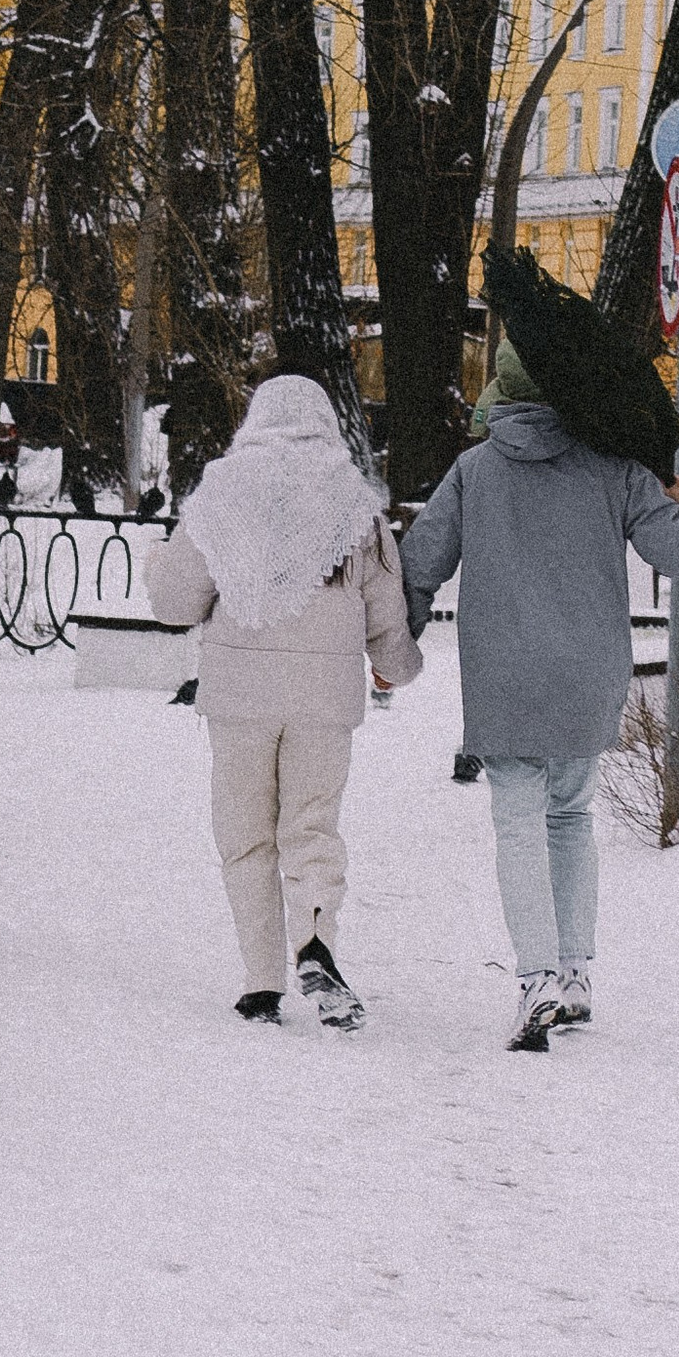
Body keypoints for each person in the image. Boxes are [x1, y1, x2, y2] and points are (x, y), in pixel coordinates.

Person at [398, 338, 679, 1046]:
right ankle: (574, 974)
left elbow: (422, 561)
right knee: (570, 815)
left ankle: (535, 981)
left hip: (505, 675)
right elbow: (677, 555)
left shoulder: (474, 470)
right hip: (587, 673)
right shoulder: (615, 469)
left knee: (517, 822)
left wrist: (396, 641)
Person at [147, 374, 419, 1029]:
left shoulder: (221, 493)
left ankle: (261, 980)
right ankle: (316, 941)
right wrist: (397, 668)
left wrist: (156, 556)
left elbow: (174, 603)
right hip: (325, 698)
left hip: (238, 696)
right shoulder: (356, 504)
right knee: (311, 827)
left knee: (245, 835)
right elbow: (385, 611)